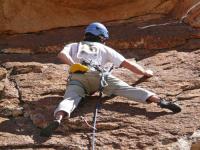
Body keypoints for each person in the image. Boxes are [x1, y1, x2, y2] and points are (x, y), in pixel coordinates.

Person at [40, 22, 181, 137]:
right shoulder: (104, 49)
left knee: (70, 98)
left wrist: (73, 65)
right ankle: (159, 100)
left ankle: (58, 118)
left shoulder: (74, 45)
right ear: (102, 37)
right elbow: (128, 64)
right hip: (99, 76)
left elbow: (61, 54)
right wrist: (145, 72)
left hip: (77, 77)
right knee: (125, 89)